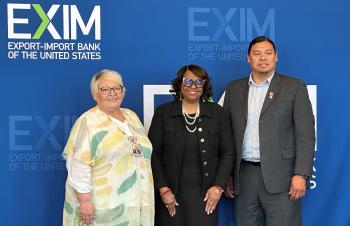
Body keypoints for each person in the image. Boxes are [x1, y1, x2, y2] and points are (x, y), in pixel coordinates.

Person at [223, 36, 315, 226]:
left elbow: (305, 135)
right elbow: (227, 135)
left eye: (268, 53)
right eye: (257, 53)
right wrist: (227, 174)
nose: (262, 58)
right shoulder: (234, 88)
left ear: (276, 57)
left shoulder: (294, 87)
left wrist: (301, 174)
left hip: (282, 178)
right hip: (244, 177)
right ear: (248, 58)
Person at [62, 69, 154, 226]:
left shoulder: (131, 116)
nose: (113, 93)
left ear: (123, 91)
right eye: (105, 89)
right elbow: (78, 164)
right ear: (95, 94)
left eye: (117, 88)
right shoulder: (87, 122)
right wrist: (84, 201)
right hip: (103, 206)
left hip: (137, 201)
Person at [148, 64, 234, 226]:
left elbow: (228, 153)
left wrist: (218, 187)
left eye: (199, 82)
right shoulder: (163, 113)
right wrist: (163, 189)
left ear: (204, 86)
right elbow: (154, 154)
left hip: (207, 195)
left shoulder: (218, 113)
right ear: (180, 84)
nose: (193, 86)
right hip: (169, 194)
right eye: (188, 81)